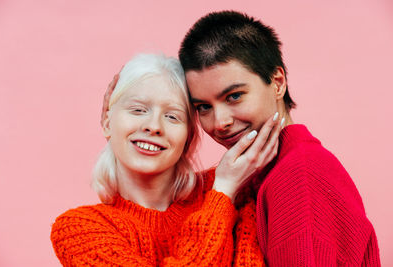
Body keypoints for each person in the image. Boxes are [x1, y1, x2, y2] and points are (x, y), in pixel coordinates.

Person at [99, 10, 381, 267]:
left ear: (278, 82)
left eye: (234, 96)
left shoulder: (296, 176)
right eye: (204, 107)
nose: (220, 122)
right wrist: (116, 118)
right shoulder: (253, 178)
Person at [51, 53, 282, 266]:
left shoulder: (239, 187)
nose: (153, 127)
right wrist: (222, 195)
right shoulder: (78, 229)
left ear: (188, 137)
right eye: (138, 110)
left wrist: (225, 189)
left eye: (172, 116)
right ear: (108, 122)